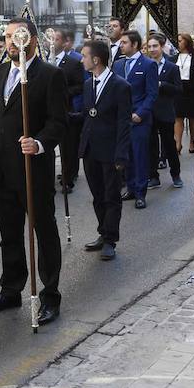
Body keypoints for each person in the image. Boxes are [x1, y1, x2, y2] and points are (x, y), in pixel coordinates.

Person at [0, 18, 66, 325]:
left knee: (43, 230)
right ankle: (11, 288)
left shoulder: (49, 76)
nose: (8, 43)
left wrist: (39, 143)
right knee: (9, 233)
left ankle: (50, 294)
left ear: (28, 38)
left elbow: (59, 122)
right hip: (0, 169)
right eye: (5, 37)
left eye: (14, 36)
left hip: (32, 169)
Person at [79, 40, 131, 261]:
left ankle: (111, 239)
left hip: (110, 150)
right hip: (91, 149)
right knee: (97, 195)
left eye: (84, 56)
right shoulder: (87, 83)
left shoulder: (120, 86)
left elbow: (124, 123)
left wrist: (121, 154)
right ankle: (102, 231)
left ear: (96, 60)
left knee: (111, 196)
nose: (82, 60)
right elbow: (87, 115)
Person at [112, 30, 158, 209]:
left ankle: (140, 192)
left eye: (124, 42)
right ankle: (130, 187)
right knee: (126, 156)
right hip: (121, 118)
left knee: (139, 156)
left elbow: (152, 94)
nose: (121, 45)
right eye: (121, 43)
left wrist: (141, 113)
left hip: (139, 119)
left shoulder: (148, 65)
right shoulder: (117, 65)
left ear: (135, 45)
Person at [146, 33, 183, 189]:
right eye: (149, 46)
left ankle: (176, 174)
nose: (152, 49)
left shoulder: (172, 67)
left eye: (155, 46)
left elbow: (178, 89)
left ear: (161, 47)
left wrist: (162, 84)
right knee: (150, 145)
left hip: (165, 111)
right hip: (149, 111)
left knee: (169, 144)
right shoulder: (146, 65)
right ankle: (153, 176)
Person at [52, 29, 85, 192]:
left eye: (56, 39)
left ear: (64, 43)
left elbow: (80, 86)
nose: (51, 42)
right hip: (48, 112)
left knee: (68, 147)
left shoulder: (73, 63)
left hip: (66, 109)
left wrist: (63, 92)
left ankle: (68, 178)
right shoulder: (43, 62)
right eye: (50, 39)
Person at [173, 33, 194, 154]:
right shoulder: (174, 57)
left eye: (180, 41)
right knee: (178, 117)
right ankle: (178, 144)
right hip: (178, 89)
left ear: (187, 42)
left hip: (192, 89)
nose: (178, 43)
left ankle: (192, 142)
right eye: (178, 41)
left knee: (193, 118)